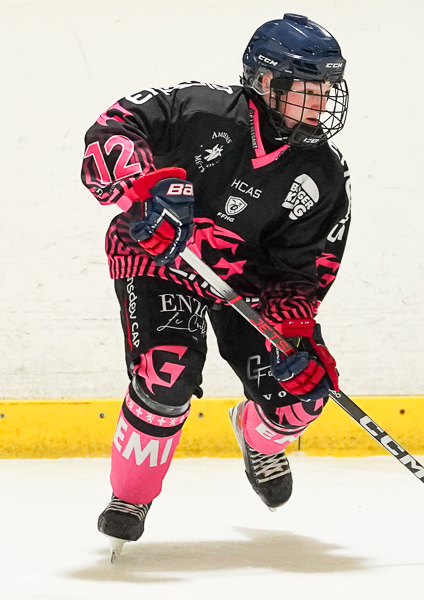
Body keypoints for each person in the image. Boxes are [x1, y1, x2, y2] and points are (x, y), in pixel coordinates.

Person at [80, 14, 352, 547]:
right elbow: (112, 131)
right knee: (167, 370)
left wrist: (296, 332)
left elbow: (303, 270)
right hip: (157, 260)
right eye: (308, 89)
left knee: (301, 396)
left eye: (326, 91)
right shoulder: (200, 109)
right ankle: (131, 496)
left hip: (241, 283)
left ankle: (259, 439)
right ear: (266, 82)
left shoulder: (322, 172)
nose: (320, 104)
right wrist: (143, 189)